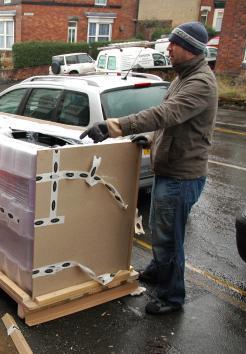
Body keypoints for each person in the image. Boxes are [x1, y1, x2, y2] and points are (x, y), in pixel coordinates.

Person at [81, 22, 217, 315]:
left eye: (173, 44)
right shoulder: (183, 77)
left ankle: (171, 297)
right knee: (159, 228)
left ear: (190, 49)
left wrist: (115, 126)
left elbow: (166, 113)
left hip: (182, 175)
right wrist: (151, 138)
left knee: (169, 238)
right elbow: (174, 124)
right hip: (168, 169)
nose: (167, 49)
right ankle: (158, 271)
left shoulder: (201, 83)